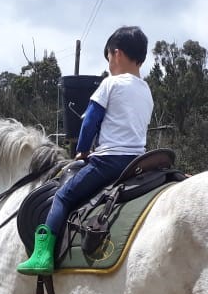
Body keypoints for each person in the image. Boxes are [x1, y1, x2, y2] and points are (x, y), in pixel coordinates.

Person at [17, 25, 154, 275]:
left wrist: (81, 151)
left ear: (117, 53)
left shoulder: (110, 84)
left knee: (63, 196)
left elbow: (90, 120)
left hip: (109, 161)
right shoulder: (146, 90)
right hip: (139, 162)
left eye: (109, 59)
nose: (110, 65)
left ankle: (43, 256)